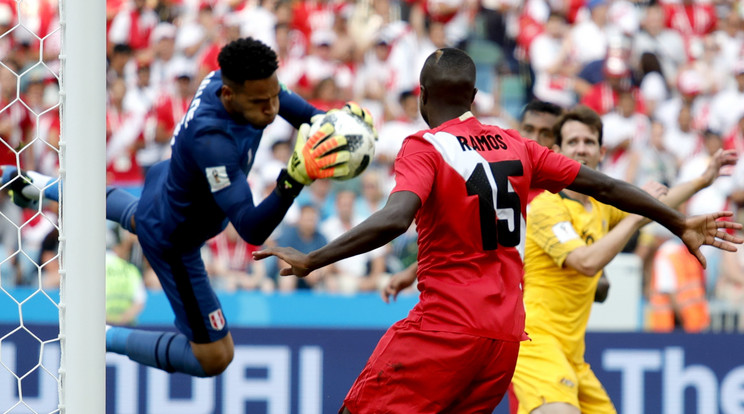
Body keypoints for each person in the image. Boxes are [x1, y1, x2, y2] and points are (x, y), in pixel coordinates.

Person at [252, 48, 743, 413]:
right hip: (504, 343)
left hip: (445, 330)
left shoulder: (425, 147)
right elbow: (607, 185)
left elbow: (396, 216)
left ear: (422, 96)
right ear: (474, 97)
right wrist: (676, 220)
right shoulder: (517, 146)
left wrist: (314, 259)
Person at [0, 37, 372, 377]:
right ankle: (97, 338)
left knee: (139, 214)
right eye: (261, 102)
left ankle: (34, 185)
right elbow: (251, 228)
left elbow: (294, 108)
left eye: (274, 95)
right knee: (214, 358)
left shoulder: (235, 81)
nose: (272, 108)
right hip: (173, 239)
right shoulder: (214, 141)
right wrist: (293, 180)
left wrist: (335, 123)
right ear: (228, 96)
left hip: (169, 188)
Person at [509, 107, 737, 414]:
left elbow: (655, 205)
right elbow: (586, 262)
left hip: (572, 354)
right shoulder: (546, 207)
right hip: (535, 343)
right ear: (557, 151)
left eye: (588, 142)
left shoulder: (600, 207)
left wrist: (703, 180)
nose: (581, 149)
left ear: (601, 152)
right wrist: (634, 218)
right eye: (572, 141)